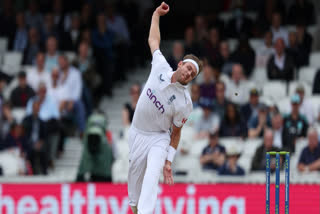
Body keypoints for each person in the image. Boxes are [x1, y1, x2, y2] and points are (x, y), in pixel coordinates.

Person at [127, 3, 203, 214]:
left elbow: (176, 133)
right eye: (188, 68)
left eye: (192, 74)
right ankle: (136, 209)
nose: (188, 74)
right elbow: (153, 40)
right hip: (137, 133)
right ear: (180, 64)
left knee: (152, 177)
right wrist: (155, 15)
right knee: (133, 194)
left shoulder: (185, 103)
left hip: (159, 138)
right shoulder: (160, 65)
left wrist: (168, 161)